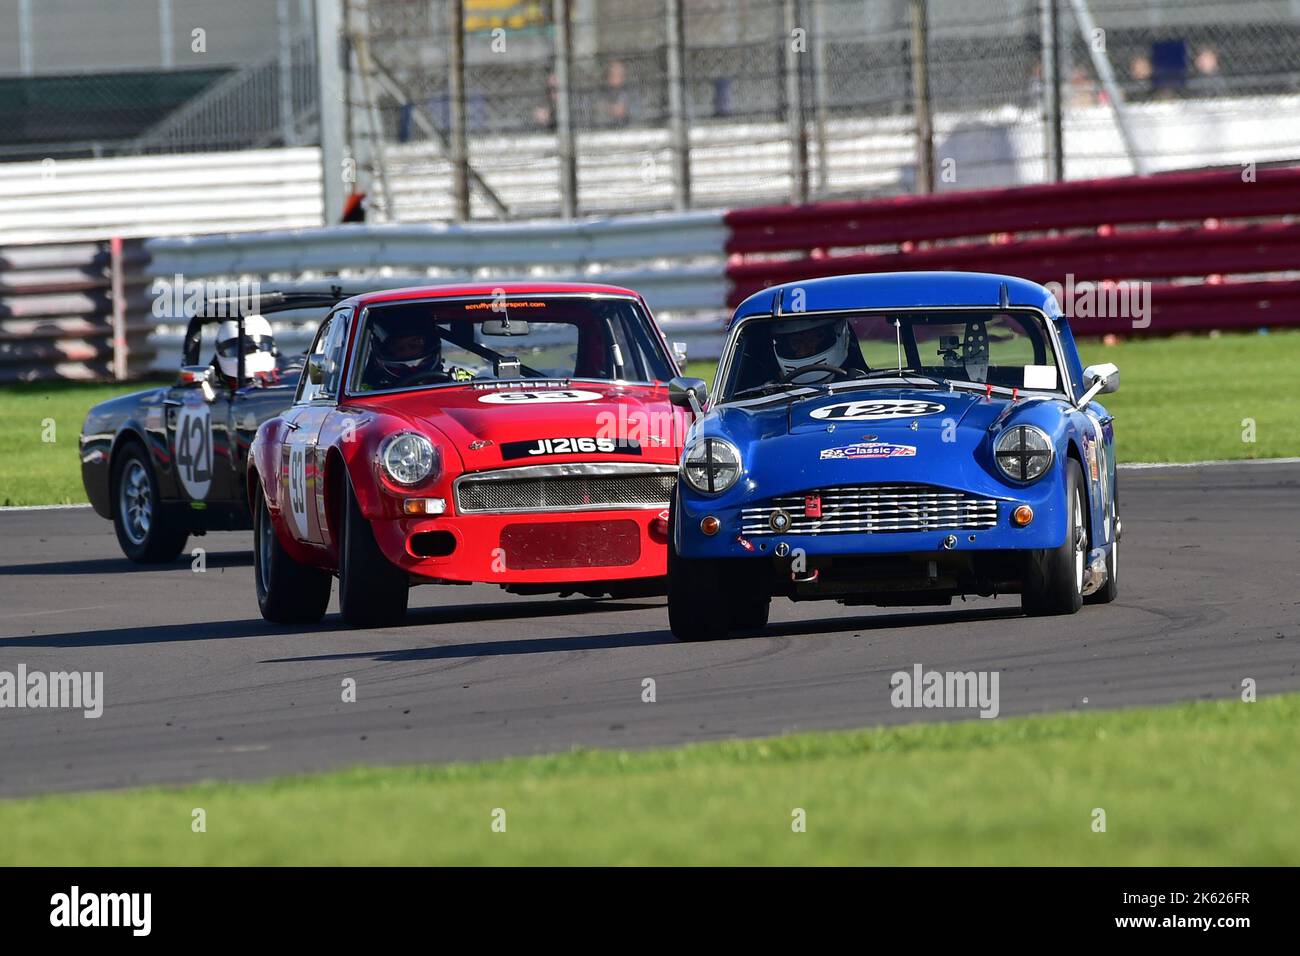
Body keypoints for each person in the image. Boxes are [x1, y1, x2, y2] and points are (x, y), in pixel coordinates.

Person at [363, 317, 470, 390]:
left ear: (428, 345)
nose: (408, 353)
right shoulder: (367, 391)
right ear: (387, 351)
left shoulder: (459, 380)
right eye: (399, 348)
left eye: (414, 346)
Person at [771, 317, 855, 384]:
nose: (804, 351)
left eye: (812, 340)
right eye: (797, 342)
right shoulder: (769, 389)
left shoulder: (858, 379)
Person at [213, 314, 278, 388]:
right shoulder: (211, 383)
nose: (246, 354)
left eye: (253, 348)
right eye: (235, 350)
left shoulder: (287, 373)